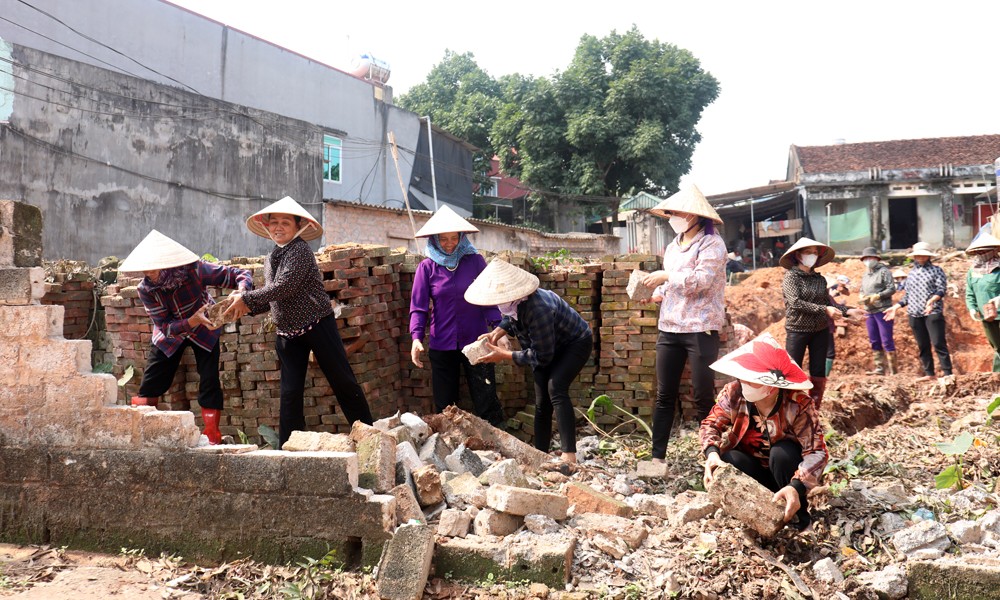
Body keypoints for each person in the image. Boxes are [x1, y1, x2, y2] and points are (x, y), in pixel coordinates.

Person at [224, 196, 374, 448]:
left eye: (285, 223)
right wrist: (243, 307)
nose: (278, 227)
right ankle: (288, 448)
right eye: (274, 223)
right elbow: (272, 298)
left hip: (317, 324)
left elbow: (284, 287)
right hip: (287, 333)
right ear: (267, 226)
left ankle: (370, 437)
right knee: (290, 392)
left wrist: (246, 298)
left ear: (298, 227)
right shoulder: (271, 257)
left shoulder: (300, 251)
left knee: (343, 381)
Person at [119, 230, 253, 445]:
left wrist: (241, 293)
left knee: (209, 380)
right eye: (146, 269)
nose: (149, 274)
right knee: (151, 382)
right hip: (171, 334)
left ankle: (212, 437)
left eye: (153, 268)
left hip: (205, 328)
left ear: (167, 263)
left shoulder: (195, 270)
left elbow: (240, 274)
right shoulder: (145, 288)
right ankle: (143, 435)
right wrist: (192, 320)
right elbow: (164, 326)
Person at [466, 259, 593, 467]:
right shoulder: (512, 303)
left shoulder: (538, 308)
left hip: (574, 343)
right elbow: (510, 316)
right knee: (542, 400)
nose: (500, 303)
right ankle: (540, 454)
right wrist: (497, 332)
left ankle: (569, 455)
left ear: (516, 294)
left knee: (556, 388)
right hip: (546, 345)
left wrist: (505, 356)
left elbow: (542, 356)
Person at [700, 332, 828, 531]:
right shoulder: (734, 393)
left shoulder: (798, 403)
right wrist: (712, 454)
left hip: (787, 471)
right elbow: (710, 424)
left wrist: (797, 486)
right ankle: (750, 515)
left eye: (752, 379)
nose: (744, 383)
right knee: (731, 458)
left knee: (782, 453)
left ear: (772, 386)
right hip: (753, 470)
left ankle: (800, 519)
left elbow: (817, 451)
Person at [641, 185, 726, 463]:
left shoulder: (712, 244)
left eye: (677, 212)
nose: (673, 216)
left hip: (701, 328)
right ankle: (657, 458)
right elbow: (671, 287)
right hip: (670, 328)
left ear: (693, 215)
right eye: (671, 212)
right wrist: (656, 294)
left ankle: (712, 456)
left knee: (702, 396)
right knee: (665, 395)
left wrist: (665, 276)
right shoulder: (672, 245)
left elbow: (701, 282)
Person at [409, 206, 506, 426]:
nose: (450, 243)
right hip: (442, 342)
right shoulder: (427, 268)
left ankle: (497, 446)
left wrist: (499, 329)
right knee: (445, 405)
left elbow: (488, 299)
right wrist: (416, 338)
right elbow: (419, 307)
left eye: (454, 238)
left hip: (477, 339)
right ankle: (448, 448)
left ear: (462, 237)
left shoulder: (475, 262)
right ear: (434, 240)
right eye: (443, 239)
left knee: (486, 397)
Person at [779, 237, 863, 409]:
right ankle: (789, 407)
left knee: (818, 370)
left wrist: (849, 311)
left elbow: (829, 303)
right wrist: (825, 310)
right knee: (793, 369)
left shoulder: (820, 279)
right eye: (808, 252)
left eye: (815, 253)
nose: (812, 256)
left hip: (820, 330)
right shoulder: (791, 277)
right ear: (798, 255)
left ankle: (814, 407)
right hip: (798, 329)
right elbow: (795, 303)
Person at [885, 242, 953, 381]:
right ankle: (929, 373)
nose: (921, 257)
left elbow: (941, 289)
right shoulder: (912, 273)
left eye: (924, 255)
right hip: (914, 313)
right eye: (918, 255)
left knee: (938, 343)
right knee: (923, 345)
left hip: (932, 312)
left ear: (928, 256)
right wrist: (895, 307)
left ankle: (948, 374)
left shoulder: (936, 270)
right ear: (914, 256)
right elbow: (908, 295)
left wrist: (932, 301)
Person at [858, 247, 898, 375]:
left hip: (883, 309)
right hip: (869, 311)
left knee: (886, 340)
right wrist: (862, 297)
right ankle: (880, 368)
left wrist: (878, 296)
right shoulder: (865, 274)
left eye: (871, 258)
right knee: (874, 340)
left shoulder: (884, 271)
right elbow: (861, 290)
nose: (868, 260)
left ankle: (893, 371)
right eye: (866, 258)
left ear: (877, 258)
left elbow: (891, 288)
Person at [964, 233, 1000, 372]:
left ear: (993, 250)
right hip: (987, 316)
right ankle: (997, 377)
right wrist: (972, 308)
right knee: (997, 346)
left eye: (985, 250)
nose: (982, 253)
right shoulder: (973, 271)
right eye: (979, 251)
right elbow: (970, 292)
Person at [825, 275, 851, 376]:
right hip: (825, 327)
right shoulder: (827, 297)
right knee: (829, 353)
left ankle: (822, 376)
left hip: (825, 326)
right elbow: (836, 308)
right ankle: (824, 376)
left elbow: (837, 307)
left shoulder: (828, 296)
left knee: (826, 352)